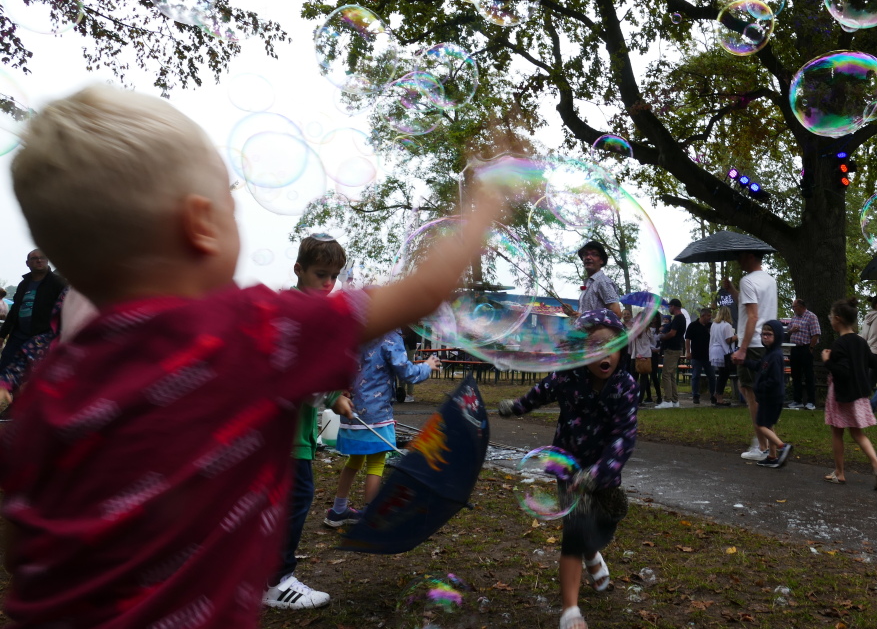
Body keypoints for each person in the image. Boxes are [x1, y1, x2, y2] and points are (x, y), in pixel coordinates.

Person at [0, 85, 506, 628]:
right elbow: (423, 291)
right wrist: (488, 201)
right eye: (230, 201)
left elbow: (17, 545)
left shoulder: (51, 384)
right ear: (201, 224)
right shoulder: (247, 333)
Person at [496, 309, 638, 629]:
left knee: (600, 527)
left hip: (602, 473)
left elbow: (624, 437)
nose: (606, 354)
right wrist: (515, 407)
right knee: (575, 532)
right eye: (596, 345)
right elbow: (540, 393)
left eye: (612, 346)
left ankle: (593, 554)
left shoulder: (625, 385)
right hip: (568, 467)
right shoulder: (566, 376)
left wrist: (597, 475)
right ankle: (570, 610)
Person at [263, 235, 348, 610]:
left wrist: (334, 395)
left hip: (288, 432)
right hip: (284, 435)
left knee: (276, 503)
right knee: (296, 498)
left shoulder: (309, 312)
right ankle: (276, 581)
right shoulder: (294, 312)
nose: (328, 285)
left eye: (335, 277)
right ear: (298, 270)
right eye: (320, 275)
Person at [325, 329, 439, 526]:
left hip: (350, 409)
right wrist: (427, 366)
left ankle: (338, 510)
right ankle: (370, 516)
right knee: (376, 463)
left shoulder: (356, 332)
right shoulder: (390, 335)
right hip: (376, 415)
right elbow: (408, 373)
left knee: (354, 461)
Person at [820, 299, 877, 490]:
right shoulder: (861, 342)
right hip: (859, 393)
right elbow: (874, 364)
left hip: (842, 394)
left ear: (838, 319)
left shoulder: (839, 344)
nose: (830, 320)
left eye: (830, 317)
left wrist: (827, 361)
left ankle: (840, 472)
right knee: (857, 432)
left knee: (837, 431)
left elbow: (842, 371)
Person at [730, 250, 778, 461]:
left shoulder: (748, 281)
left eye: (740, 256)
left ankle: (763, 446)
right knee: (758, 394)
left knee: (752, 395)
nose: (737, 260)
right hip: (767, 342)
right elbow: (748, 305)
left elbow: (753, 316)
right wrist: (731, 290)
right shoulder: (769, 280)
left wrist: (742, 348)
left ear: (750, 255)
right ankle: (768, 444)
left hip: (752, 344)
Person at [0, 249, 67, 398]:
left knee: (33, 374)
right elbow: (14, 311)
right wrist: (2, 334)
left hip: (42, 336)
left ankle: (21, 406)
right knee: (6, 365)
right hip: (18, 334)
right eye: (35, 258)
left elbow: (64, 311)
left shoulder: (57, 283)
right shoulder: (24, 284)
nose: (39, 261)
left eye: (42, 258)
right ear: (28, 263)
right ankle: (10, 402)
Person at [750, 319, 792, 468]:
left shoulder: (775, 356)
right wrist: (744, 362)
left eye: (769, 334)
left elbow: (774, 380)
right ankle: (772, 456)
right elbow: (760, 367)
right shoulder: (768, 354)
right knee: (769, 425)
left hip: (771, 397)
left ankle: (782, 446)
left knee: (761, 425)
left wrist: (758, 387)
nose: (765, 337)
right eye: (763, 334)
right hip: (769, 396)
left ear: (778, 336)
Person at [561, 241, 622, 318]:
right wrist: (572, 313)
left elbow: (616, 314)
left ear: (601, 260)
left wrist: (586, 316)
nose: (588, 257)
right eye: (585, 254)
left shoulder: (603, 281)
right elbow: (583, 316)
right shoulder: (589, 284)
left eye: (594, 254)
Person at [784, 298, 821, 410]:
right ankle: (797, 400)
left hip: (806, 348)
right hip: (795, 349)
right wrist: (792, 331)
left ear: (800, 306)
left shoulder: (811, 316)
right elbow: (788, 331)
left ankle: (811, 401)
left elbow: (816, 334)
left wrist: (811, 348)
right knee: (795, 375)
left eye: (794, 307)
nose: (793, 309)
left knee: (808, 375)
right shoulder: (794, 317)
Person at [655, 299, 687, 408]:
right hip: (676, 348)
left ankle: (667, 400)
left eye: (669, 307)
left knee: (666, 374)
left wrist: (662, 337)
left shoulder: (678, 318)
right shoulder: (679, 318)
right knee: (671, 375)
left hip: (672, 349)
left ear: (673, 306)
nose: (669, 309)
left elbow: (672, 333)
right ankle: (674, 400)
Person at [684, 307, 716, 404]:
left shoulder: (711, 326)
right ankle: (695, 395)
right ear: (703, 315)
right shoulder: (693, 325)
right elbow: (687, 339)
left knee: (712, 376)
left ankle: (713, 395)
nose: (710, 318)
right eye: (709, 316)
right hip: (696, 355)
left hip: (709, 356)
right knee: (695, 376)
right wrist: (688, 352)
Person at [709, 307, 737, 406]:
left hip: (714, 350)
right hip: (723, 351)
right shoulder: (727, 325)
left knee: (722, 374)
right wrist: (737, 336)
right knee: (724, 375)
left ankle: (717, 394)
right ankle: (719, 397)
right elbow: (728, 340)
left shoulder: (714, 324)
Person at [627, 309, 655, 406]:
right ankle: (640, 399)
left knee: (633, 379)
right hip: (646, 356)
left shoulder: (634, 330)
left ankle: (633, 398)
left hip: (635, 356)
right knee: (643, 379)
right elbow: (653, 342)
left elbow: (628, 340)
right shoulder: (649, 330)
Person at [645, 314, 663, 405]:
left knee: (654, 375)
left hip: (655, 353)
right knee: (645, 375)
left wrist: (659, 350)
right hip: (647, 353)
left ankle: (659, 396)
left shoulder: (660, 329)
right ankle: (648, 396)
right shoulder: (646, 328)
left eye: (655, 317)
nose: (654, 319)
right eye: (652, 317)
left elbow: (661, 341)